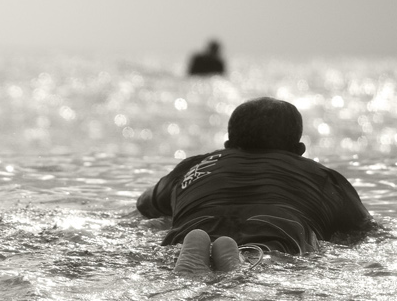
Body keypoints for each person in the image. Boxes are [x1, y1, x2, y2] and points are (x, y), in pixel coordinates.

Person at [135, 97, 371, 276]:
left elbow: (144, 205)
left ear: (228, 145)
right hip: (277, 239)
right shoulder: (323, 178)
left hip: (189, 232)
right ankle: (239, 264)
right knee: (261, 266)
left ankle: (195, 251)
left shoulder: (194, 167)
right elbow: (363, 230)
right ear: (299, 151)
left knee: (185, 246)